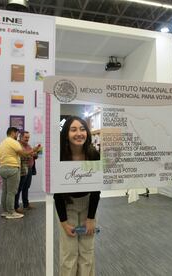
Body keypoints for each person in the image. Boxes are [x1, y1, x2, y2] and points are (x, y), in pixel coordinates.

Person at [54, 116, 101, 276]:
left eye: (82, 129)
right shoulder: (59, 156)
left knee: (87, 252)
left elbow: (96, 190)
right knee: (69, 253)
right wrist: (64, 222)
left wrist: (90, 219)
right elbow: (57, 194)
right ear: (66, 133)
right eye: (73, 130)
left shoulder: (93, 154)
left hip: (88, 205)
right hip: (67, 207)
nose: (79, 133)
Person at [0, 127, 36, 219]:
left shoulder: (2, 143)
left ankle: (5, 211)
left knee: (5, 192)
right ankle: (11, 212)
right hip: (13, 168)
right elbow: (24, 154)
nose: (17, 135)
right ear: (13, 133)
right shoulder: (14, 142)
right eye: (17, 134)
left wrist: (3, 165)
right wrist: (33, 149)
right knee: (11, 192)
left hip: (3, 168)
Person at [14, 131, 38, 213]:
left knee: (26, 187)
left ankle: (26, 204)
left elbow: (31, 155)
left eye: (28, 137)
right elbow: (22, 156)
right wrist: (32, 152)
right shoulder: (18, 145)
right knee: (19, 188)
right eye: (26, 137)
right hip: (22, 170)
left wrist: (35, 154)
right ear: (21, 137)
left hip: (29, 169)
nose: (27, 139)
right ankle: (15, 207)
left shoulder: (28, 145)